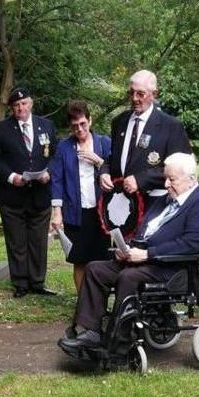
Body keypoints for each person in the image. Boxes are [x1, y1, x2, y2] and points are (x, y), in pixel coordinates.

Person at [60, 153, 199, 349]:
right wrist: (127, 247)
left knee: (128, 277)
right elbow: (144, 229)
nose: (166, 184)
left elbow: (192, 244)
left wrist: (147, 254)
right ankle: (90, 331)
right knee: (95, 269)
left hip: (172, 267)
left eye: (172, 179)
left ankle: (119, 341)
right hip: (144, 259)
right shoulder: (166, 199)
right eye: (165, 178)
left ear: (191, 179)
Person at [0, 87, 59, 297]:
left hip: (40, 193)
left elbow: (56, 155)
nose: (21, 108)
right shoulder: (2, 129)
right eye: (17, 105)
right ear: (12, 108)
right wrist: (11, 177)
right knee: (16, 241)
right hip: (13, 194)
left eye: (24, 103)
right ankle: (20, 283)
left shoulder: (46, 125)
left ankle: (37, 282)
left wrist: (50, 172)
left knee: (38, 241)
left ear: (31, 103)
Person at [49, 100, 113, 291]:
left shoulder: (105, 143)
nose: (80, 129)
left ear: (90, 120)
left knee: (102, 260)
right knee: (80, 261)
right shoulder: (64, 147)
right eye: (75, 126)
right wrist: (57, 211)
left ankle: (100, 303)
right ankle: (83, 303)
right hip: (75, 212)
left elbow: (116, 173)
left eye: (83, 124)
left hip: (101, 212)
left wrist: (98, 161)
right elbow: (57, 180)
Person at [100, 70, 192, 201]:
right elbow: (113, 157)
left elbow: (182, 168)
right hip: (121, 205)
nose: (134, 98)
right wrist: (104, 172)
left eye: (140, 94)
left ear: (154, 94)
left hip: (156, 203)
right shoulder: (119, 122)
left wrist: (141, 179)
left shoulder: (171, 126)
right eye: (131, 92)